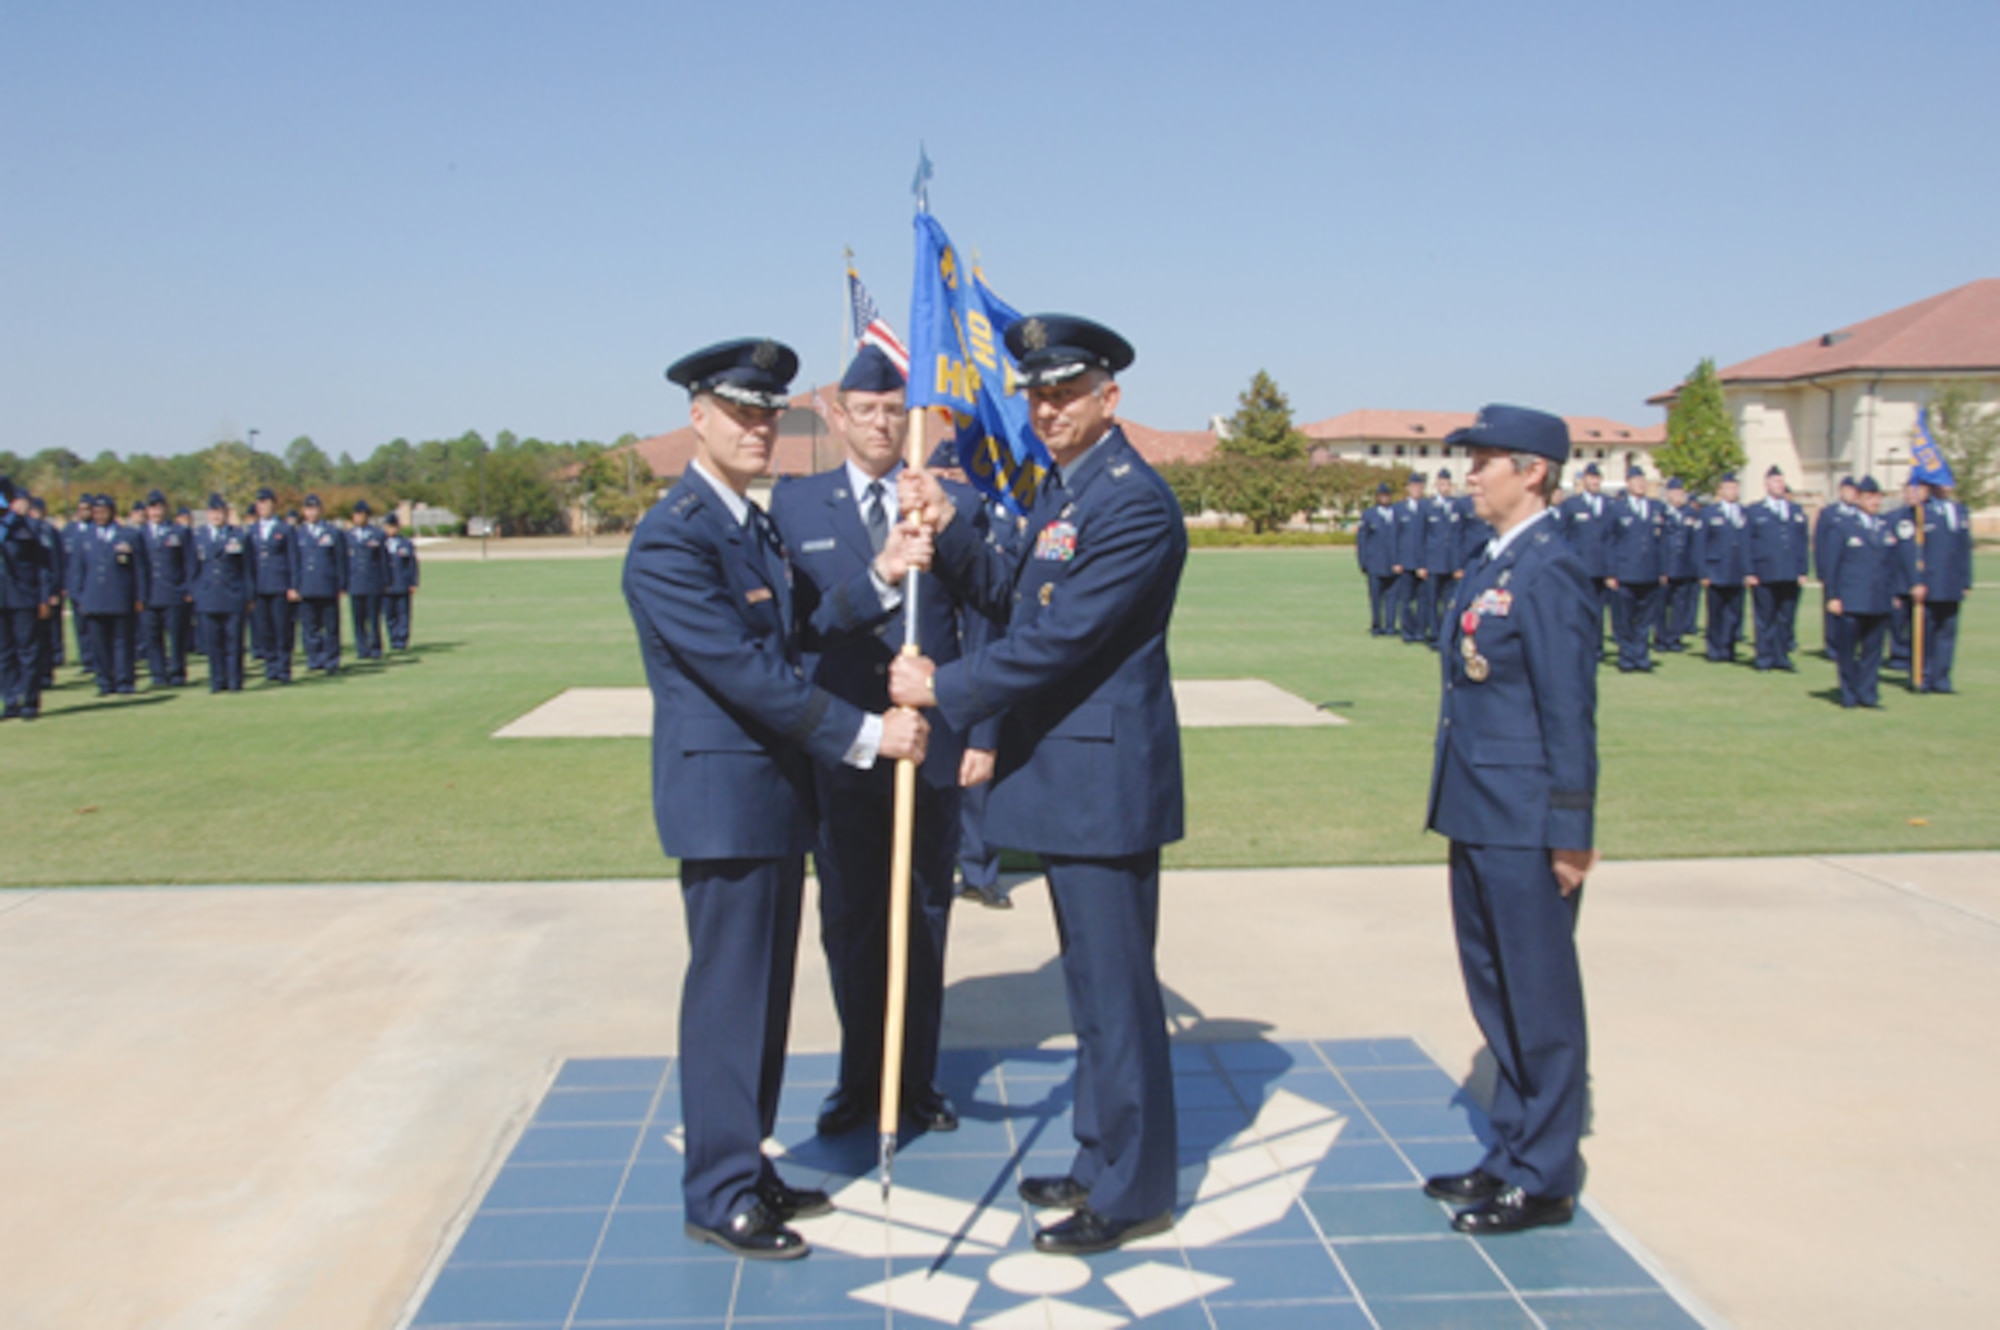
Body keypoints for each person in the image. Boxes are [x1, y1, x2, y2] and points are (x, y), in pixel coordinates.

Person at [622, 336, 929, 1261]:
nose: (760, 427)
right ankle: (718, 1193)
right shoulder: (675, 537)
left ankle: (745, 1165)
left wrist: (881, 574)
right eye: (742, 411)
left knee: (759, 1002)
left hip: (767, 799)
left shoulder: (744, 525)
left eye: (770, 412)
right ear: (698, 418)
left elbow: (799, 627)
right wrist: (872, 736)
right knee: (728, 1001)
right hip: (725, 801)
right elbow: (753, 676)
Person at [891, 314, 1184, 1256]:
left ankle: (1134, 1188)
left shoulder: (1132, 501)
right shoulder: (1069, 493)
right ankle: (1102, 1156)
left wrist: (947, 687)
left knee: (1117, 996)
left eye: (1066, 391)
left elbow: (1064, 640)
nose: (1048, 407)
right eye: (1037, 393)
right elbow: (1011, 596)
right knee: (1094, 994)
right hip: (1069, 779)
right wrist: (948, 525)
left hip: (1104, 783)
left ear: (1111, 396)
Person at [766, 346, 974, 1140]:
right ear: (838, 415)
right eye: (868, 409)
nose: (883, 423)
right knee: (851, 917)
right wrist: (879, 580)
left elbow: (983, 618)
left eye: (896, 409)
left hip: (932, 745)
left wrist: (978, 731)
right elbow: (800, 633)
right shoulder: (796, 507)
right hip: (846, 743)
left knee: (924, 913)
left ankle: (913, 1082)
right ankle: (860, 1081)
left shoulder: (948, 499)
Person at [1422, 404, 1598, 1237]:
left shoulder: (1550, 567)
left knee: (1540, 1000)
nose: (1472, 472)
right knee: (1495, 994)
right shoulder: (1493, 561)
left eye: (1488, 459)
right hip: (1478, 806)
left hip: (1527, 818)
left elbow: (1570, 710)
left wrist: (1571, 827)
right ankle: (1511, 1149)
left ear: (1534, 471)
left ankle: (1548, 1173)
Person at [1822, 476, 1905, 708]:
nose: (1874, 502)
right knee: (1848, 651)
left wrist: (1895, 593)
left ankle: (1868, 694)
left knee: (1873, 651)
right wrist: (1833, 596)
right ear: (1859, 499)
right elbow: (1833, 565)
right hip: (1852, 599)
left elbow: (1893, 565)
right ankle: (1848, 693)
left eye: (1877, 497)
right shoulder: (1843, 527)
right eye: (1869, 497)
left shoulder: (1885, 528)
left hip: (1878, 599)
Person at [1903, 478, 1973, 694]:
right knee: (1925, 632)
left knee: (1947, 632)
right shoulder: (1921, 511)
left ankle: (1941, 678)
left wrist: (1965, 580)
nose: (1946, 486)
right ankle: (1921, 676)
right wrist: (1916, 581)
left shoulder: (1960, 510)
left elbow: (1963, 548)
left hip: (1951, 582)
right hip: (1930, 583)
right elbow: (1912, 550)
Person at [74, 493, 147, 696]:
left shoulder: (129, 536)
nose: (99, 515)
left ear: (112, 512)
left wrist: (140, 596)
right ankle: (105, 682)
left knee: (123, 642)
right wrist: (78, 596)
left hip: (121, 596)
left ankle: (125, 682)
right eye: (96, 512)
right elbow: (77, 570)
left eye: (103, 511)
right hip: (93, 598)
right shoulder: (84, 537)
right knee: (99, 644)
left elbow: (140, 569)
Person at [1744, 466, 1809, 672]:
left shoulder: (1795, 511)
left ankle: (1782, 656)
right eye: (1775, 481)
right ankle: (1764, 657)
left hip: (1789, 573)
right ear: (1766, 484)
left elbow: (1801, 543)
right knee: (1765, 617)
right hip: (1765, 572)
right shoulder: (1754, 511)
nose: (1779, 485)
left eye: (1781, 482)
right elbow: (1746, 544)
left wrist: (1802, 570)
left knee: (1786, 617)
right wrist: (1749, 571)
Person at [1603, 466, 1666, 672]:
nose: (1640, 485)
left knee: (1645, 618)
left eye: (1643, 481)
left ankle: (1641, 656)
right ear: (1627, 483)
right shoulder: (1616, 508)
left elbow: (1663, 542)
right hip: (1625, 572)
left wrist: (1663, 570)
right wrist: (1610, 571)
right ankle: (1627, 657)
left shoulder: (1656, 508)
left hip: (1650, 572)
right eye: (1636, 480)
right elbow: (1609, 541)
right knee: (1624, 619)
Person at [1, 478, 52, 719]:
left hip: (24, 597)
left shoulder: (28, 528)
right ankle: (10, 700)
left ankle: (30, 700)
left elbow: (43, 566)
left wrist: (44, 598)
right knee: (4, 653)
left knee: (28, 651)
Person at [190, 493, 250, 692]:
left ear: (226, 514)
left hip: (233, 594)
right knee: (213, 643)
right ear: (208, 514)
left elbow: (247, 568)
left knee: (234, 642)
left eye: (220, 512)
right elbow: (192, 569)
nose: (216, 516)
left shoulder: (238, 535)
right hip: (208, 596)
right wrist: (195, 592)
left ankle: (234, 681)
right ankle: (217, 681)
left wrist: (248, 594)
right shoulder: (198, 536)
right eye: (213, 512)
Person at [137, 489, 193, 688]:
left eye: (159, 507)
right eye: (151, 508)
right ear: (146, 510)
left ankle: (177, 673)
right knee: (152, 638)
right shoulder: (139, 534)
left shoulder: (179, 531)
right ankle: (158, 675)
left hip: (174, 592)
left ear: (165, 508)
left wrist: (187, 588)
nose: (155, 512)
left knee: (177, 637)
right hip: (149, 593)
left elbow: (189, 562)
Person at [1695, 473, 1750, 662]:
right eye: (1728, 488)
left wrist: (1749, 571)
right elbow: (1700, 545)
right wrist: (1703, 572)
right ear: (1720, 491)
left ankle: (1729, 647)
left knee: (1735, 614)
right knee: (1716, 613)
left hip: (1737, 571)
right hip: (1716, 570)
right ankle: (1715, 649)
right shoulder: (1709, 513)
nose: (1732, 491)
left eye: (1735, 488)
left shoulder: (1744, 513)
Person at [1556, 462, 1611, 646]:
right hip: (1580, 565)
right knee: (1578, 608)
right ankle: (1578, 643)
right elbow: (1562, 534)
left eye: (1597, 478)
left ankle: (1596, 646)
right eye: (1590, 478)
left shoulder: (1609, 504)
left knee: (1599, 609)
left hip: (1602, 567)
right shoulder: (1572, 504)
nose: (1594, 481)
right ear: (1584, 480)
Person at [245, 487, 296, 683]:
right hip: (259, 587)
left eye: (266, 502)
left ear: (274, 505)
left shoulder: (285, 529)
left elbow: (293, 559)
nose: (263, 506)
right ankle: (271, 667)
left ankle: (284, 668)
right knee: (263, 629)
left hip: (279, 585)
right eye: (259, 503)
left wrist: (293, 585)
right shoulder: (251, 531)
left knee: (282, 628)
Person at [292, 494, 346, 673]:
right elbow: (294, 562)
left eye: (314, 508)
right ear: (303, 511)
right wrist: (294, 585)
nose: (311, 512)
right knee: (310, 627)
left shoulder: (333, 532)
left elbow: (340, 560)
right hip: (306, 587)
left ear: (321, 510)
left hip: (327, 586)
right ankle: (314, 659)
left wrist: (342, 584)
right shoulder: (297, 533)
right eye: (308, 509)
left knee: (330, 626)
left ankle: (332, 659)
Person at [1883, 478, 1930, 674]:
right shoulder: (1893, 519)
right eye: (1909, 490)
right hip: (1899, 581)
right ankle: (1899, 656)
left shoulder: (1931, 517)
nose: (1912, 494)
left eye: (1917, 490)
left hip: (1924, 583)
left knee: (1921, 624)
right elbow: (1888, 553)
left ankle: (1918, 657)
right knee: (1897, 623)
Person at [1815, 477, 1858, 661]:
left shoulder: (1858, 514)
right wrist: (1821, 570)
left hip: (1854, 571)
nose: (1851, 494)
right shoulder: (1829, 514)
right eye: (1847, 490)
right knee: (1833, 609)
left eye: (1854, 491)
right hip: (1834, 569)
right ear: (1841, 491)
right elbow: (1819, 542)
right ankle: (1832, 646)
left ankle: (1851, 645)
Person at [1654, 479, 1700, 652]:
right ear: (1668, 494)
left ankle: (1674, 638)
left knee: (1680, 606)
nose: (1679, 497)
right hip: (1666, 567)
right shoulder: (1661, 513)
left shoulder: (1690, 513)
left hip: (1685, 567)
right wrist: (1661, 569)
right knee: (1661, 606)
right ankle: (1661, 638)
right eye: (1675, 493)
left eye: (1681, 493)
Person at [1418, 469, 1462, 645]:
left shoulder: (1457, 506)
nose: (1445, 487)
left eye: (1447, 484)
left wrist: (1459, 564)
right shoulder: (1427, 506)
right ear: (1436, 485)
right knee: (1432, 600)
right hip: (1433, 562)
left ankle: (1447, 634)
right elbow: (1420, 537)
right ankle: (1434, 634)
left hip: (1452, 563)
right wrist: (1421, 564)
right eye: (1442, 484)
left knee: (1449, 601)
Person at [344, 500, 388, 660]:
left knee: (374, 618)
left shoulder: (377, 535)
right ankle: (362, 648)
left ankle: (375, 647)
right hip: (355, 582)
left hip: (373, 582)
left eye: (363, 515)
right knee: (358, 619)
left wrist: (385, 581)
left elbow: (383, 560)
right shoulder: (347, 536)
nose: (360, 518)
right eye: (357, 515)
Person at [29, 496, 64, 689]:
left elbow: (54, 562)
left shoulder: (47, 531)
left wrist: (54, 589)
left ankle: (44, 674)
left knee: (44, 636)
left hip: (42, 590)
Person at [1357, 481, 1397, 635]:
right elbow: (1362, 541)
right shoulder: (1369, 515)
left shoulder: (1395, 513)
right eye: (1381, 496)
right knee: (1375, 598)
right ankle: (1376, 625)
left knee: (1392, 598)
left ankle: (1390, 626)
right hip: (1375, 564)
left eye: (1387, 496)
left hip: (1393, 564)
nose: (1384, 498)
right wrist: (1363, 562)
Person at [1391, 471, 1427, 642]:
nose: (1416, 490)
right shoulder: (1398, 509)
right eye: (1413, 486)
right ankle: (1407, 631)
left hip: (1424, 563)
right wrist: (1396, 560)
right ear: (1407, 489)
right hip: (1405, 562)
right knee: (1405, 600)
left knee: (1422, 600)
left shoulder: (1428, 507)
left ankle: (1420, 630)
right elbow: (1393, 537)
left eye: (1419, 486)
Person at [382, 514, 420, 649]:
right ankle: (393, 638)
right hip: (386, 586)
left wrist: (414, 582)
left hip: (402, 584)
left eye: (393, 527)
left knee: (403, 614)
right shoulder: (381, 543)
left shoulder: (405, 544)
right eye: (388, 527)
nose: (391, 530)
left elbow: (412, 565)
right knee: (389, 615)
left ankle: (402, 640)